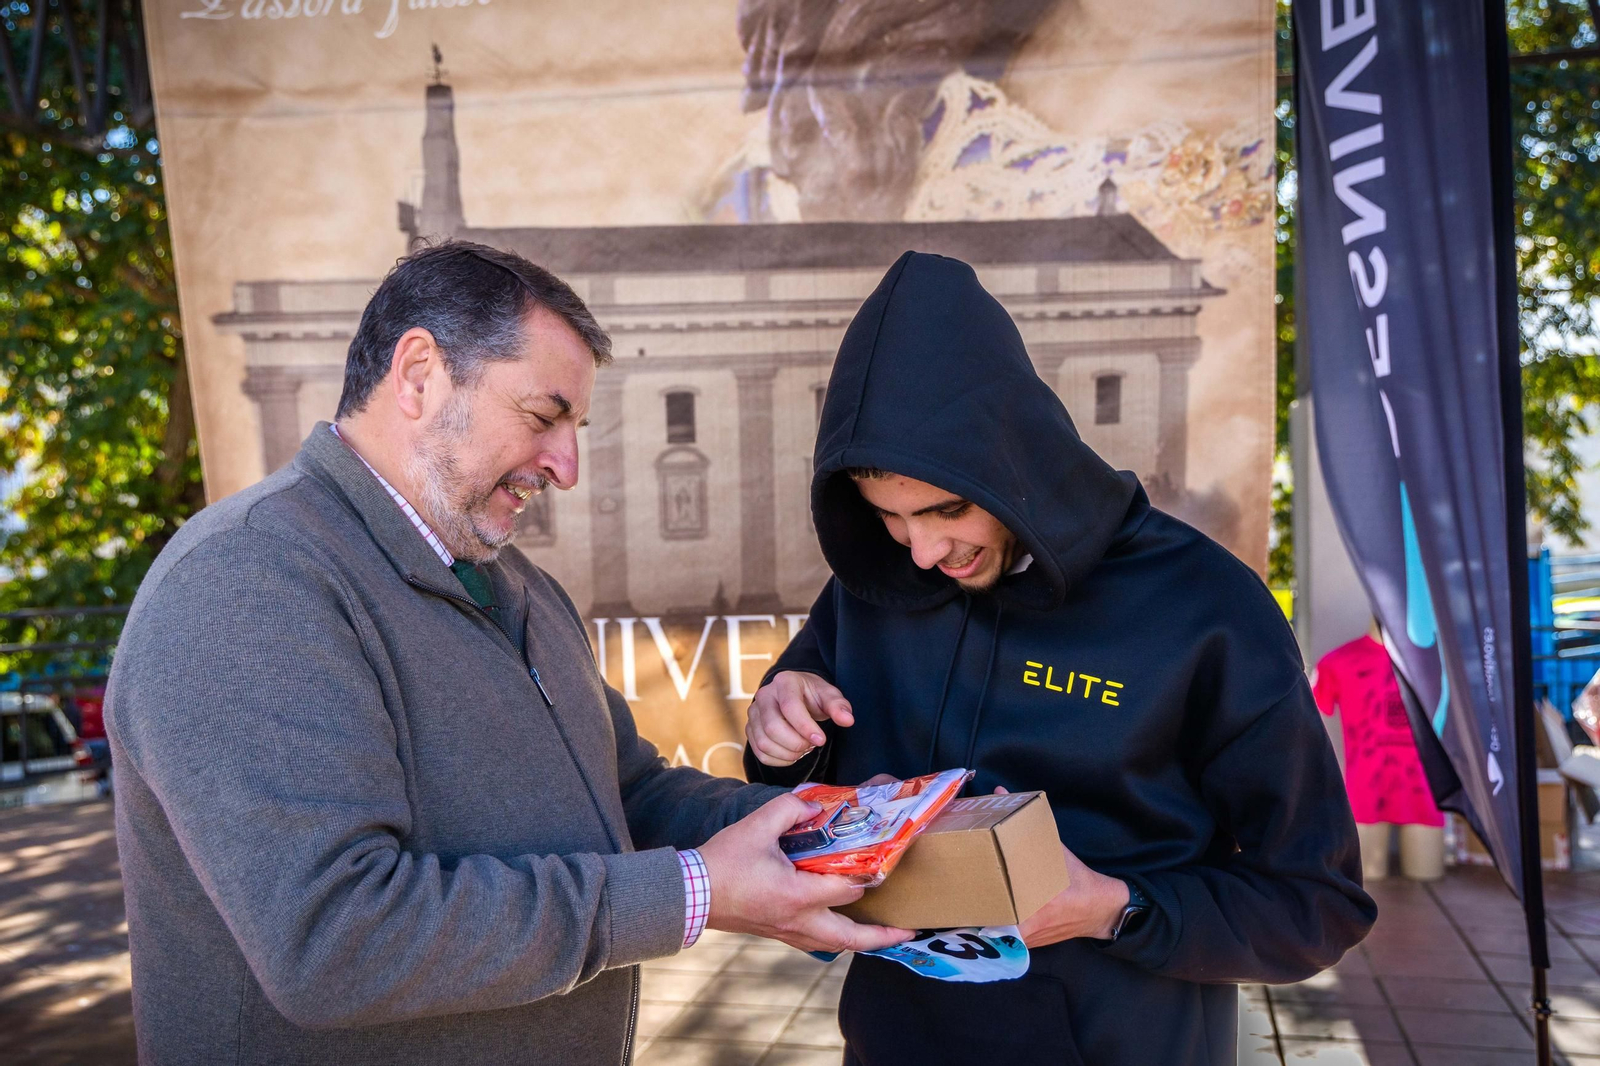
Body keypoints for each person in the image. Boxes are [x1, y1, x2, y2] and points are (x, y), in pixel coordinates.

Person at [105, 241, 908, 1066]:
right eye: (542, 416)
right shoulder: (248, 580)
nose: (566, 466)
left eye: (575, 426)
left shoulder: (516, 583)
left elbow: (627, 793)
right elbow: (334, 941)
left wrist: (815, 825)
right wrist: (692, 892)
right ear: (418, 375)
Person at [743, 251, 1377, 1065]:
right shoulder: (874, 582)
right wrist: (778, 726)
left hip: (1126, 1035)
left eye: (948, 509)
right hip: (893, 1033)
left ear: (1017, 459)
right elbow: (808, 771)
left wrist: (1112, 908)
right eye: (892, 518)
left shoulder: (1203, 606)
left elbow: (1315, 905)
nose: (926, 551)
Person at [1313, 623, 1446, 881]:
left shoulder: (1437, 663)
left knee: (1426, 877)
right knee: (1367, 884)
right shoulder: (1337, 662)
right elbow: (1312, 716)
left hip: (1425, 792)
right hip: (1365, 795)